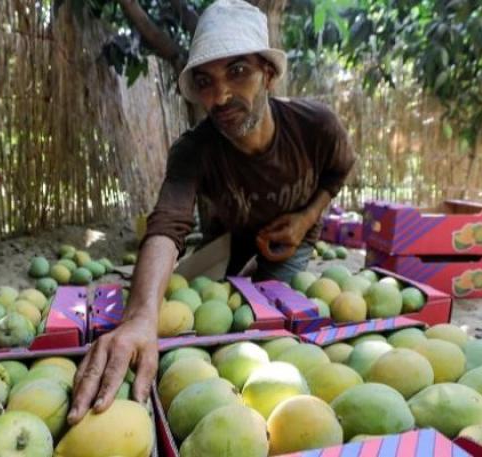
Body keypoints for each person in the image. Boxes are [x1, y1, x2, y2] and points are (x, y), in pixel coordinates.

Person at [67, 0, 355, 424]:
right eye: (205, 81)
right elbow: (168, 224)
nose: (219, 97)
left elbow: (339, 170)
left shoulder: (315, 126)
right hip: (225, 246)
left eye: (237, 72)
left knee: (267, 335)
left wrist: (306, 218)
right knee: (202, 324)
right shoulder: (194, 150)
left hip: (285, 245)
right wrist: (141, 318)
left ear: (268, 74)